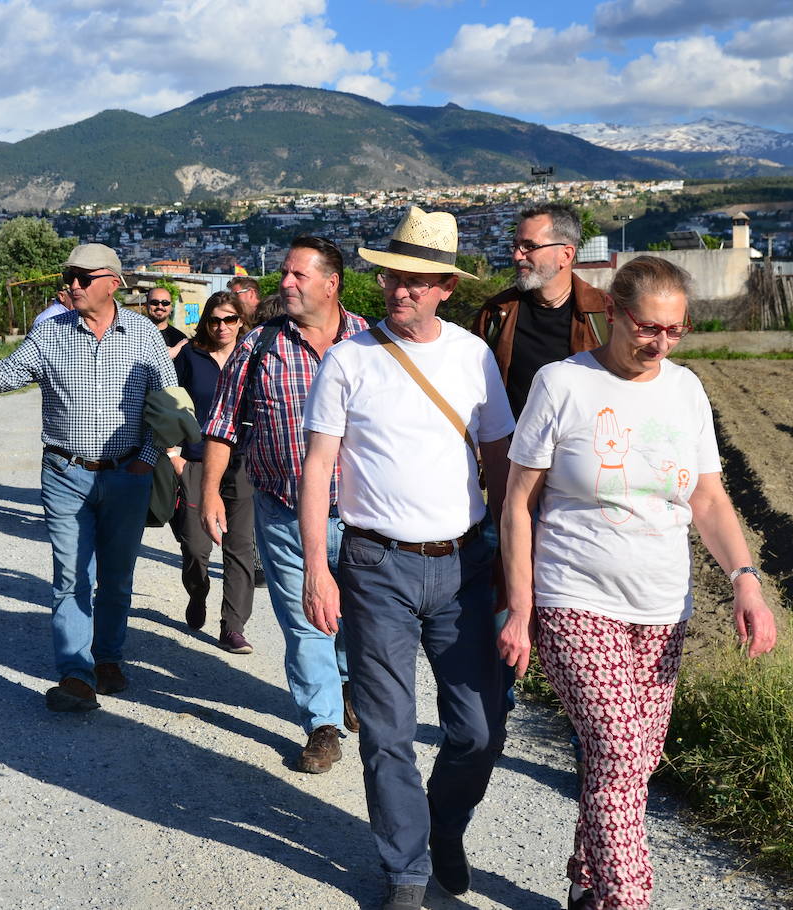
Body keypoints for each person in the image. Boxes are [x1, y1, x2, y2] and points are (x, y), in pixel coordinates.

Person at [497, 256, 778, 910]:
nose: (660, 343)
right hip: (575, 598)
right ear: (614, 315)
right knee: (621, 756)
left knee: (631, 767)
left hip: (661, 608)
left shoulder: (683, 389)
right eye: (648, 327)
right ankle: (629, 899)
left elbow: (708, 499)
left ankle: (585, 878)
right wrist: (519, 608)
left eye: (675, 331)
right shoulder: (561, 384)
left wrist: (745, 580)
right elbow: (517, 503)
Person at [300, 207, 514, 910]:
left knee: (478, 732)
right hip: (374, 567)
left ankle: (442, 825)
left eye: (419, 281)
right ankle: (406, 874)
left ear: (446, 286)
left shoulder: (472, 356)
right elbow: (318, 466)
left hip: (464, 568)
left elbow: (501, 466)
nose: (401, 290)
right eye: (395, 276)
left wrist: (517, 569)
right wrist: (315, 568)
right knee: (387, 734)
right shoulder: (349, 358)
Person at [0, 243, 177, 713]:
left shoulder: (144, 334)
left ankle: (108, 658)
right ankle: (76, 674)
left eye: (83, 276)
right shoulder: (50, 333)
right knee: (70, 576)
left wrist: (147, 457)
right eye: (70, 276)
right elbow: (4, 376)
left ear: (113, 282)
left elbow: (169, 404)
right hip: (64, 472)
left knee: (118, 577)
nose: (73, 284)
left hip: (127, 475)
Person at [202, 236, 367, 774]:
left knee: (356, 618)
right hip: (284, 509)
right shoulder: (260, 346)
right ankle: (321, 724)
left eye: (298, 275)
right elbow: (224, 424)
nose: (286, 283)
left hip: (363, 514)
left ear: (331, 284)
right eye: (285, 274)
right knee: (303, 621)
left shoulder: (371, 341)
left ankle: (349, 688)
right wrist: (210, 493)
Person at [170, 291, 257, 654]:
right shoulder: (190, 356)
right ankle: (198, 590)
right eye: (215, 320)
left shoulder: (254, 355)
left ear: (241, 321)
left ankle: (232, 627)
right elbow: (169, 403)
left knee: (239, 547)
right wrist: (173, 454)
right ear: (206, 322)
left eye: (230, 319)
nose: (222, 327)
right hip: (196, 459)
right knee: (195, 545)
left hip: (242, 463)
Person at [471, 202, 611, 418]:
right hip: (513, 449)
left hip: (582, 447)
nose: (517, 256)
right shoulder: (496, 313)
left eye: (529, 246)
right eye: (515, 246)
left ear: (565, 255)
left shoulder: (605, 314)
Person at [143, 286, 188, 357]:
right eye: (154, 302)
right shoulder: (136, 334)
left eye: (165, 303)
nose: (160, 306)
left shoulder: (179, 338)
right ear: (146, 305)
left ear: (171, 307)